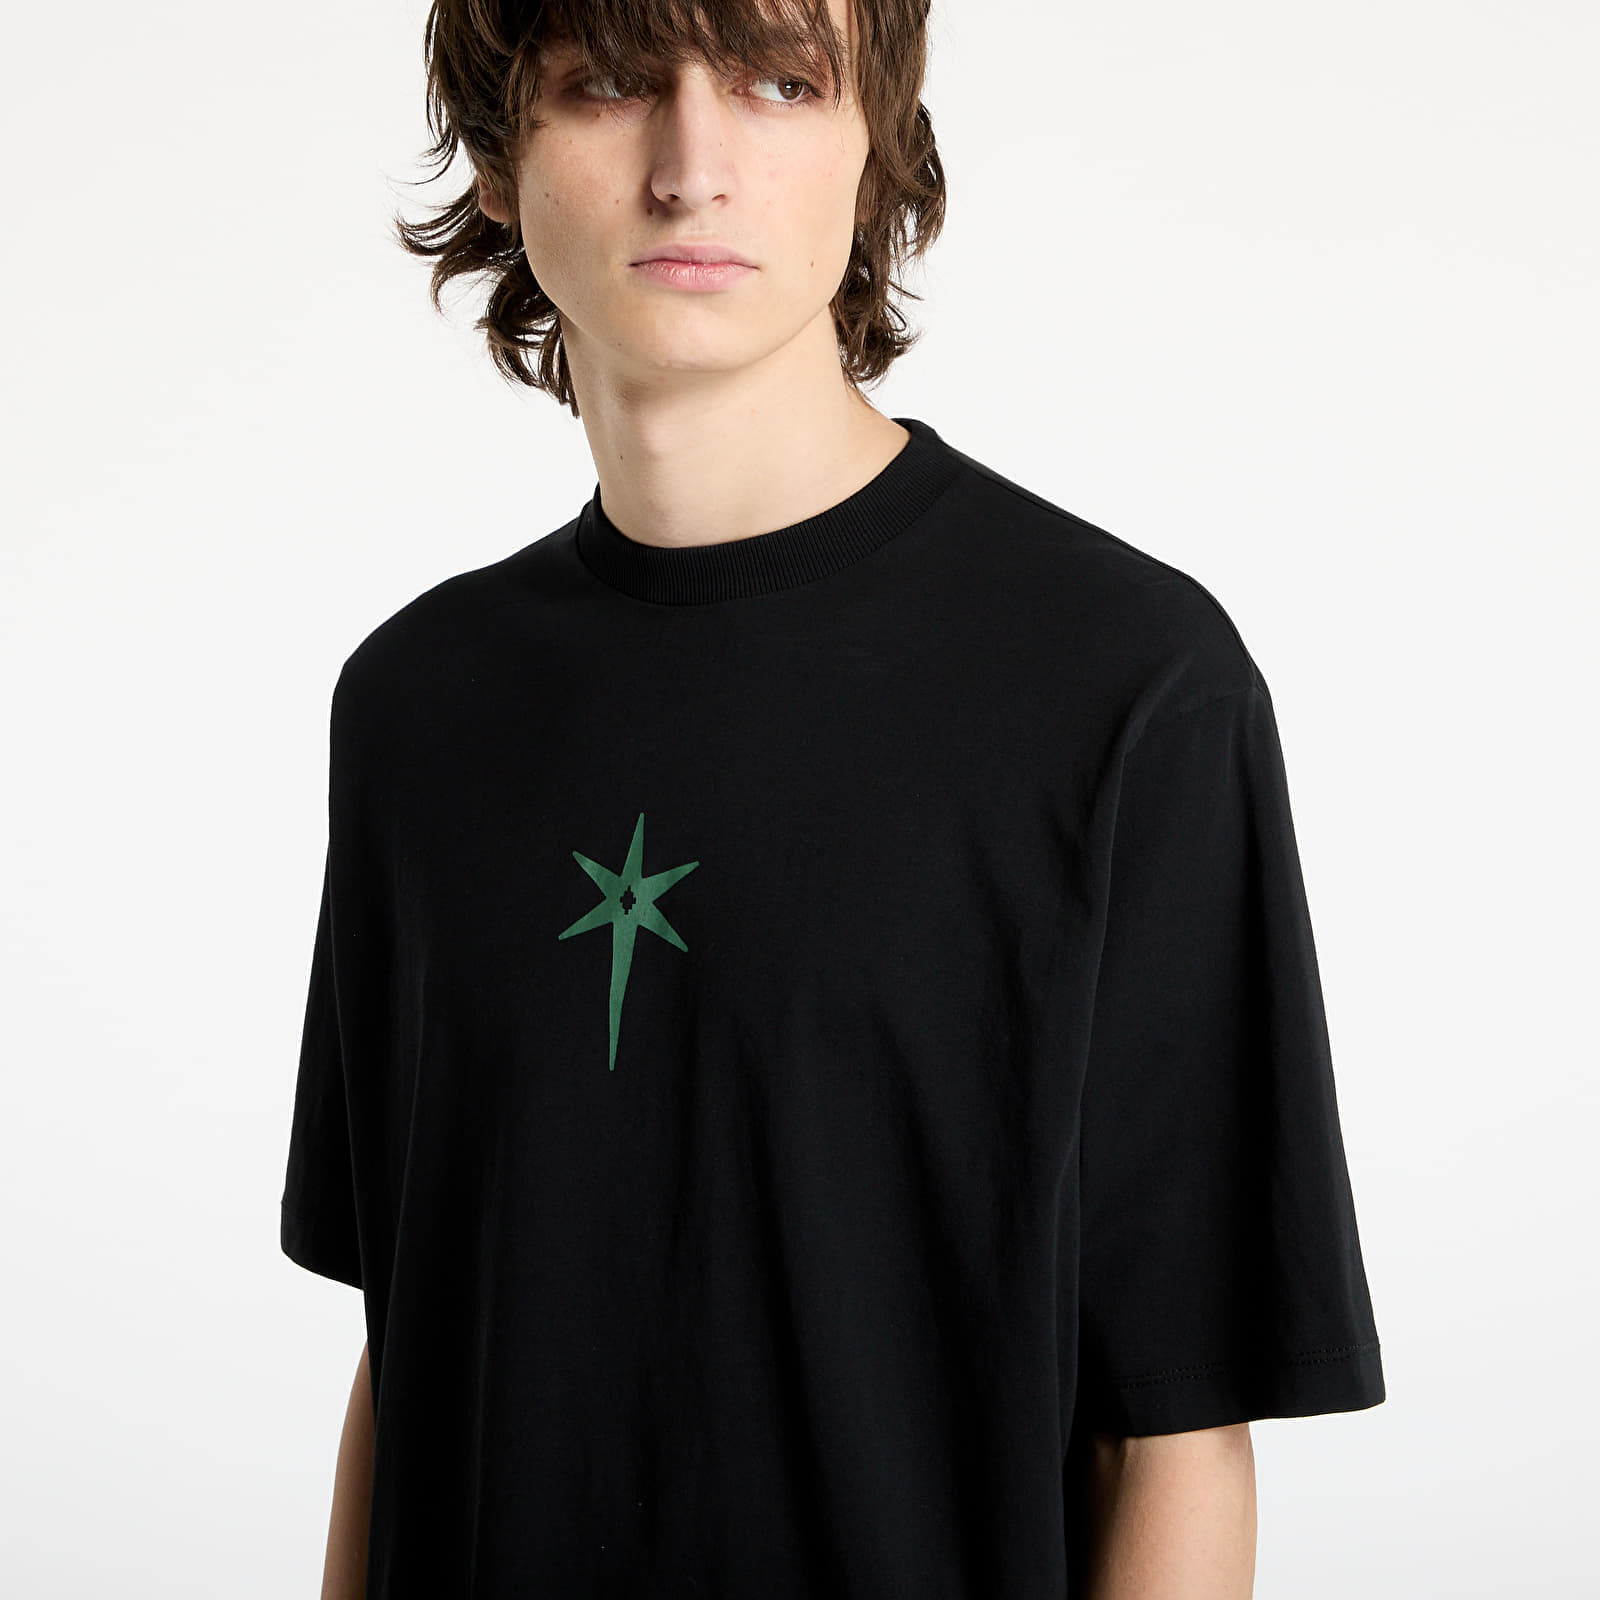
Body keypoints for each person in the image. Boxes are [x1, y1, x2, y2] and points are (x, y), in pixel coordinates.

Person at [278, 0, 1386, 1595]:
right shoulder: (418, 707)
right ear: (504, 158)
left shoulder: (1124, 690)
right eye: (609, 83)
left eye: (780, 82)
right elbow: (410, 1344)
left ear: (878, 150)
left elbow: (1176, 1427)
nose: (692, 165)